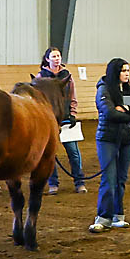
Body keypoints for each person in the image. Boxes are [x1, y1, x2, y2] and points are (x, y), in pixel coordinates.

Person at [89, 58, 130, 233]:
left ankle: (117, 216)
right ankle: (103, 217)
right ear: (115, 72)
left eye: (128, 70)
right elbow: (110, 113)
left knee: (121, 179)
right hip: (108, 139)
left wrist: (128, 110)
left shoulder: (128, 90)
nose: (127, 73)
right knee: (109, 178)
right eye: (123, 70)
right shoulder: (104, 90)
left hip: (126, 139)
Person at [38, 47, 85, 195]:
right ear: (47, 59)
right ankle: (53, 184)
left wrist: (72, 113)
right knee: (50, 155)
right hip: (49, 121)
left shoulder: (67, 76)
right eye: (54, 56)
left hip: (65, 120)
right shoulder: (41, 77)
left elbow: (72, 96)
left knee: (73, 152)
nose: (57, 58)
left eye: (58, 56)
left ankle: (79, 182)